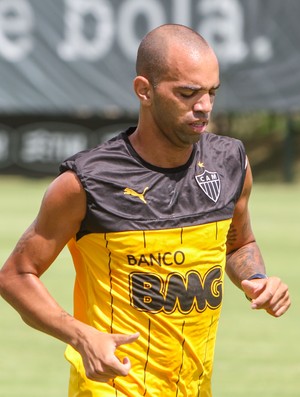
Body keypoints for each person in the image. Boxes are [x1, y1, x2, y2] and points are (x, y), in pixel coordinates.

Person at [0, 24, 290, 397]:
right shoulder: (86, 182)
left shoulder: (230, 162)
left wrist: (256, 278)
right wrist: (80, 335)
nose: (203, 106)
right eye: (187, 93)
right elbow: (15, 275)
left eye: (211, 92)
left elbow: (238, 244)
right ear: (144, 90)